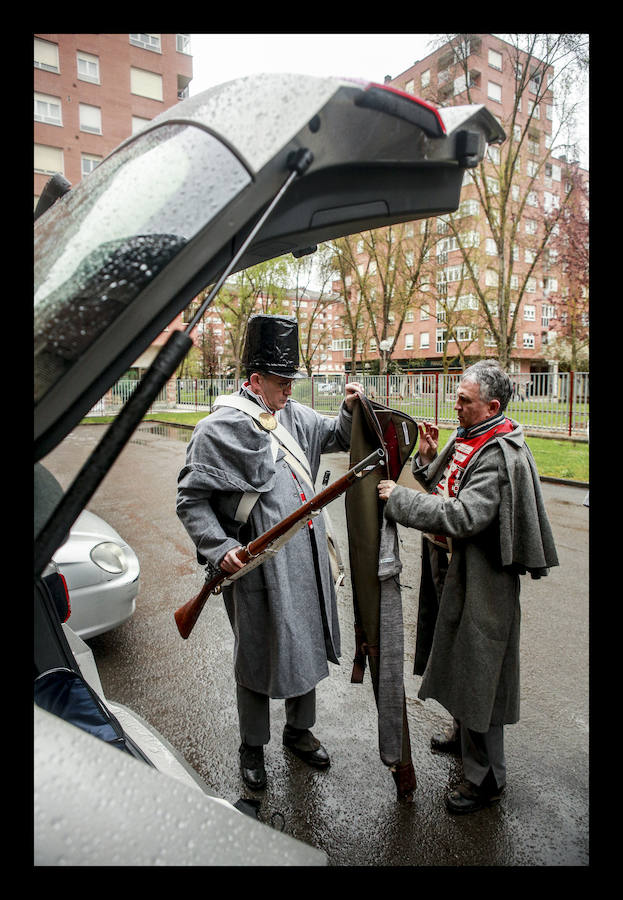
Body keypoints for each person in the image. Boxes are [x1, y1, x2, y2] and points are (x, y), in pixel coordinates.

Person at [176, 314, 363, 790]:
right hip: (256, 567)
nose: (289, 391)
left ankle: (299, 732)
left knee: (306, 644)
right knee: (257, 657)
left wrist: (349, 406)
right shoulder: (218, 428)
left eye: (291, 381)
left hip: (305, 558)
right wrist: (219, 550)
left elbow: (337, 436)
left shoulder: (293, 414)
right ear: (255, 380)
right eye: (281, 382)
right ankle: (252, 745)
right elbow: (191, 500)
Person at [377, 360, 558, 814]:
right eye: (458, 396)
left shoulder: (498, 452)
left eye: (465, 400)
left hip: (482, 581)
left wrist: (398, 499)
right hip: (452, 568)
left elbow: (463, 515)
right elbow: (438, 484)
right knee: (458, 656)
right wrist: (424, 457)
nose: (455, 405)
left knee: (481, 673)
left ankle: (486, 781)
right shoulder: (469, 435)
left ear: (492, 406)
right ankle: (463, 740)